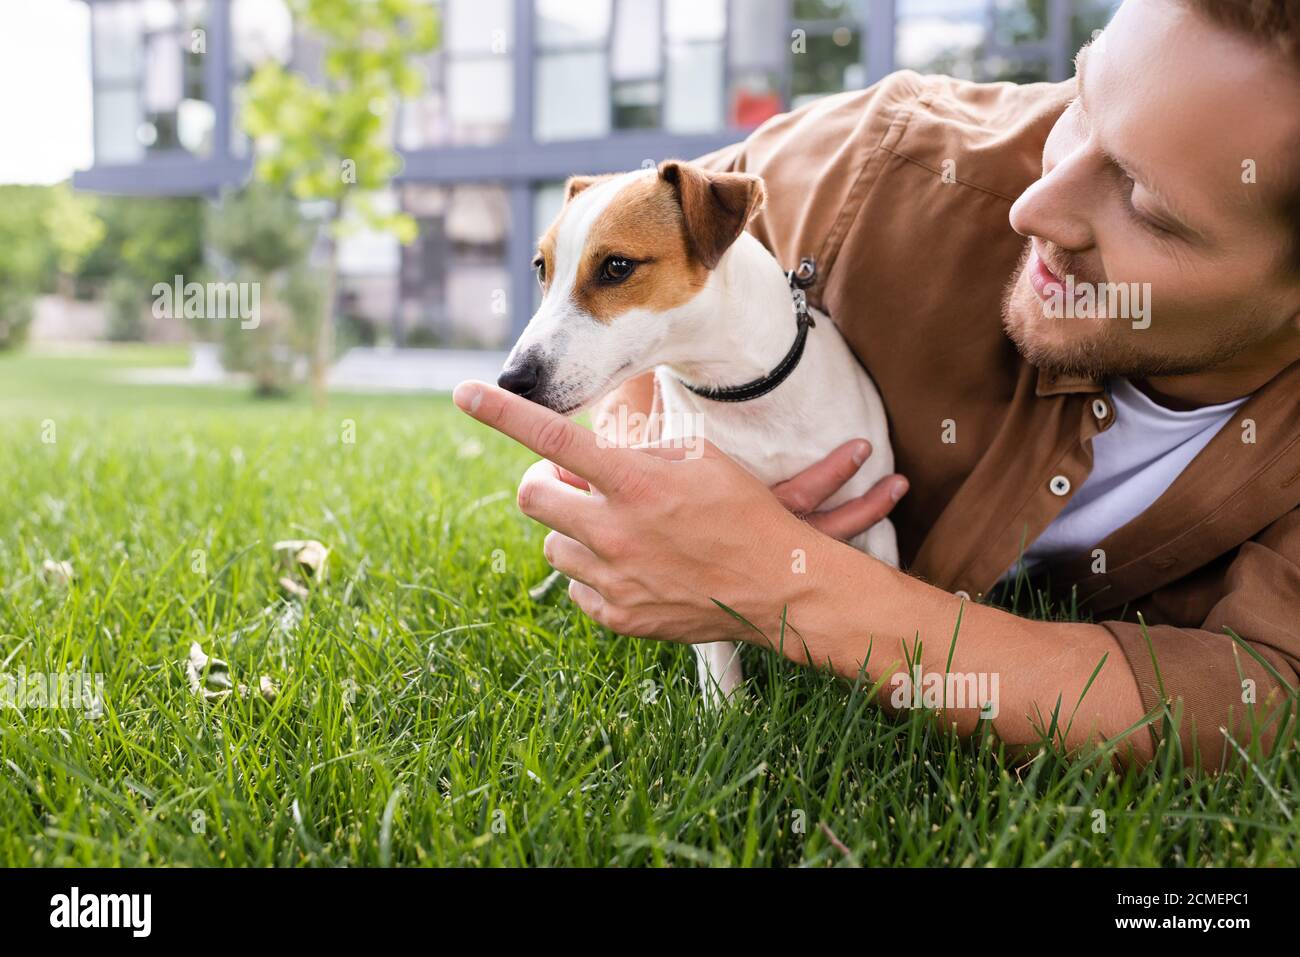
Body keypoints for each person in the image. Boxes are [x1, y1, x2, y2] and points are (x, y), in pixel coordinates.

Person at [455, 0, 1300, 771]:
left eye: (1147, 205)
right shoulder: (890, 161)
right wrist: (650, 466)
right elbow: (625, 248)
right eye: (1080, 97)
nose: (1033, 208)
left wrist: (781, 584)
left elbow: (1257, 699)